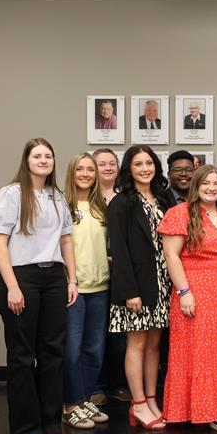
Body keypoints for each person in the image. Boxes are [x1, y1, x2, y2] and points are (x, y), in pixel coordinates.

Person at [0, 137, 78, 434]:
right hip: (21, 277)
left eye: (48, 156)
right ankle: (27, 430)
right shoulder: (11, 194)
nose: (43, 160)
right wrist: (12, 286)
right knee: (23, 356)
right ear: (26, 161)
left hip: (53, 277)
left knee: (53, 353)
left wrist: (72, 279)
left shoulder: (57, 196)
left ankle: (51, 424)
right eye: (37, 156)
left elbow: (66, 240)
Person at [159, 165, 217, 434]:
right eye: (206, 183)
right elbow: (171, 255)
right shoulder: (180, 214)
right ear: (196, 186)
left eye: (216, 183)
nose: (212, 188)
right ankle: (208, 411)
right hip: (195, 290)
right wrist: (184, 292)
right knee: (200, 352)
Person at [108, 145, 175, 431]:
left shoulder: (164, 199)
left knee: (154, 344)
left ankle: (150, 400)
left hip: (162, 283)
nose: (145, 168)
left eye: (149, 163)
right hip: (136, 285)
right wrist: (129, 291)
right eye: (138, 164)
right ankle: (137, 404)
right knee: (136, 343)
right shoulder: (122, 202)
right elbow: (119, 250)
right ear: (129, 169)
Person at [61, 153, 111, 430]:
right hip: (74, 289)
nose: (85, 174)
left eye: (90, 169)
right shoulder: (62, 206)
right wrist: (69, 280)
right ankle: (71, 405)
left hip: (100, 287)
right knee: (72, 350)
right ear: (71, 173)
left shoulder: (101, 206)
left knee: (95, 349)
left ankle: (85, 399)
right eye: (79, 169)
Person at [89, 149, 132, 406]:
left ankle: (117, 384)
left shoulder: (126, 197)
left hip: (120, 275)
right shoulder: (86, 198)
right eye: (101, 164)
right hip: (93, 274)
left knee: (119, 335)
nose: (107, 168)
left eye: (111, 163)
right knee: (95, 334)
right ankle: (96, 387)